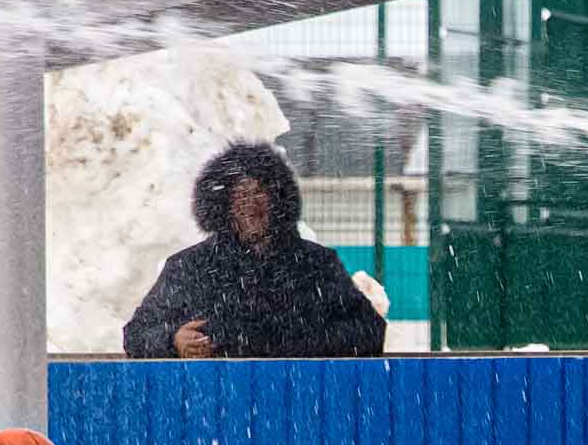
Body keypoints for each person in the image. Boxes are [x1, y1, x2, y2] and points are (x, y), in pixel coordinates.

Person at [120, 143, 387, 361]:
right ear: (223, 205)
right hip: (217, 407)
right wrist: (174, 340)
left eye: (259, 191)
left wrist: (296, 342)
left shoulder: (316, 264)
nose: (250, 203)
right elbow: (136, 335)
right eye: (239, 193)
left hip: (296, 404)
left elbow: (369, 332)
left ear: (278, 199)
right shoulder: (190, 267)